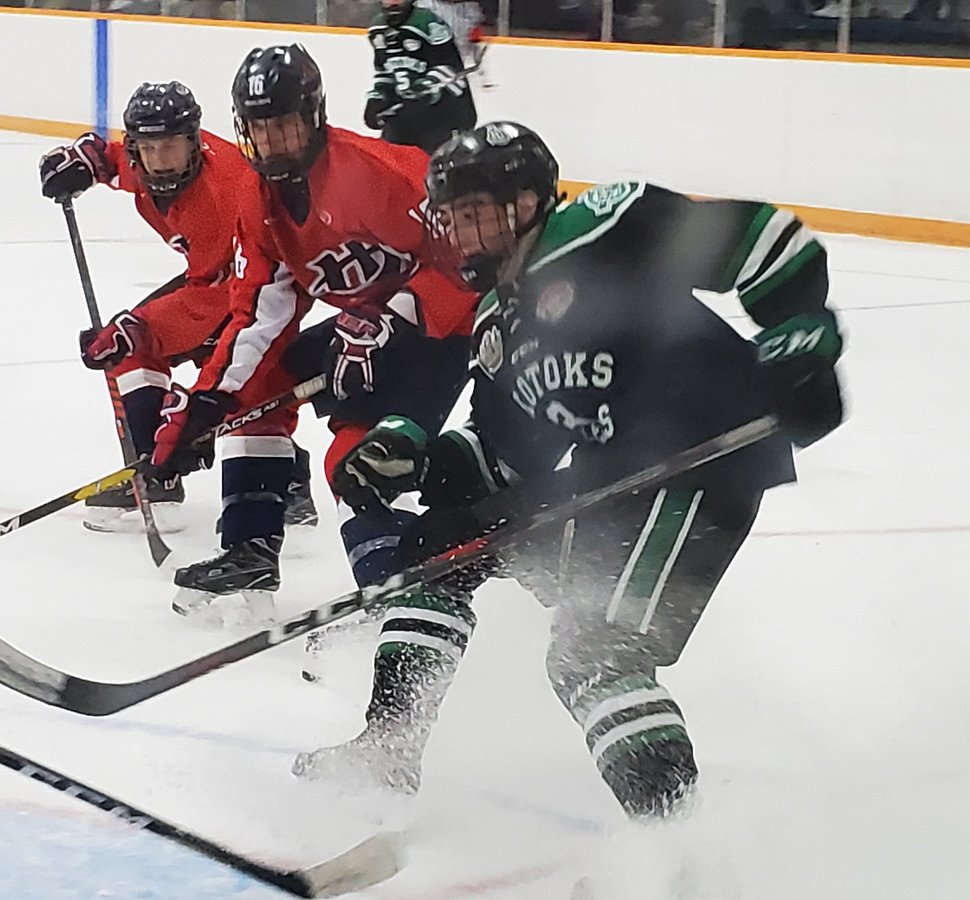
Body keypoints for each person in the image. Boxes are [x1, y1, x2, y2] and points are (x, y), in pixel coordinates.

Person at [293, 122, 845, 821]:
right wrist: (413, 458)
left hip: (702, 467)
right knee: (437, 550)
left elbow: (761, 240)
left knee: (594, 654)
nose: (463, 233)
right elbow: (504, 453)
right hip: (609, 481)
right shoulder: (500, 321)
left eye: (478, 212)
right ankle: (389, 745)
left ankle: (676, 849)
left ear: (527, 202)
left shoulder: (598, 226)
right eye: (453, 217)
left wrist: (801, 342)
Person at [152, 45, 477, 622]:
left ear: (314, 116)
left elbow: (470, 257)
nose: (272, 140)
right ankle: (249, 547)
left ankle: (401, 596)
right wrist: (209, 401)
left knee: (357, 463)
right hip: (363, 337)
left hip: (444, 336)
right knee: (258, 389)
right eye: (259, 127)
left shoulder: (383, 172)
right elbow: (260, 314)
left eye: (284, 124)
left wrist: (394, 318)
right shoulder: (259, 202)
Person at [37, 81, 318, 534]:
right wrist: (87, 160)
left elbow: (219, 293)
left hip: (253, 288)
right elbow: (114, 162)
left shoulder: (222, 192)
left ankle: (271, 480)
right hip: (214, 280)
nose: (162, 158)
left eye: (172, 145)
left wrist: (136, 326)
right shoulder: (146, 164)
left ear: (195, 143)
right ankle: (161, 473)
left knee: (160, 350)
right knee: (134, 345)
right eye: (150, 148)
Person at [364, 0, 478, 154]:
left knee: (433, 172)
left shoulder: (429, 24)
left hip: (440, 120)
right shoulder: (378, 29)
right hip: (402, 121)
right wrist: (377, 99)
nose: (392, 3)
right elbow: (385, 71)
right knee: (389, 168)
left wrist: (424, 91)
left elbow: (450, 69)